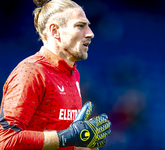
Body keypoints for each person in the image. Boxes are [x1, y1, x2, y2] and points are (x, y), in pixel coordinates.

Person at [0, 0, 111, 150]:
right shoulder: (31, 72)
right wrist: (67, 137)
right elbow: (6, 141)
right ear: (55, 31)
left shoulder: (73, 73)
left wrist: (80, 145)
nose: (90, 33)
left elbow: (63, 140)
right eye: (80, 26)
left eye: (88, 26)